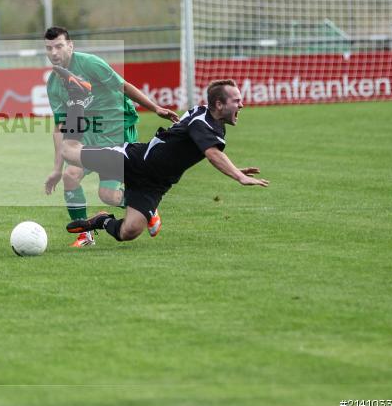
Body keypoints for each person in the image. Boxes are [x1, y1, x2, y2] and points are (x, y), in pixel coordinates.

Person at [57, 76, 268, 243]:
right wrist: (238, 176)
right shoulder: (202, 121)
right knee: (68, 151)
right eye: (236, 101)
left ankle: (102, 220)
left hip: (154, 184)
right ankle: (77, 98)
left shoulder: (213, 123)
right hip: (132, 160)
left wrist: (235, 168)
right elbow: (212, 154)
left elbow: (209, 151)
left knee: (128, 232)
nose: (241, 105)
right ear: (219, 104)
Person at [42, 27, 179, 246]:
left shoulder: (90, 64)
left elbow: (122, 85)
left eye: (59, 46)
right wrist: (56, 169)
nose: (54, 52)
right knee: (70, 175)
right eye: (49, 48)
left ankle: (147, 208)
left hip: (117, 130)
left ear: (71, 45)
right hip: (90, 134)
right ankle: (85, 234)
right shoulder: (53, 84)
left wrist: (155, 108)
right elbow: (61, 126)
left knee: (106, 194)